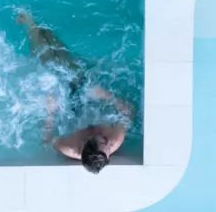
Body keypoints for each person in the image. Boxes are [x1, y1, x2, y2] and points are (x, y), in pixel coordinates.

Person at [17, 10, 134, 174]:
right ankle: (43, 30)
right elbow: (129, 111)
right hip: (86, 100)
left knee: (47, 63)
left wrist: (51, 112)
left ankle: (29, 24)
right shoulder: (114, 140)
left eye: (103, 141)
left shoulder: (69, 147)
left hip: (69, 108)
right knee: (63, 56)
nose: (108, 142)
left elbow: (47, 141)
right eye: (106, 143)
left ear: (86, 142)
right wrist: (105, 95)